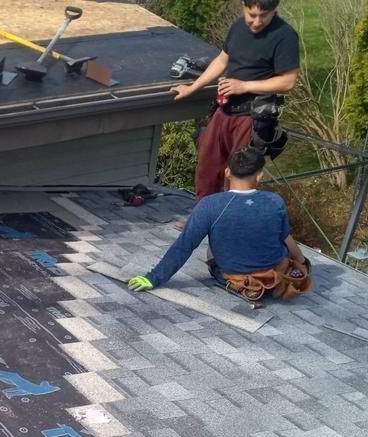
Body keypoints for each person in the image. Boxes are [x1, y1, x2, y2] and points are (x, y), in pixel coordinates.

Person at [127, 148, 312, 301]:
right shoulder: (275, 201)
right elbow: (285, 237)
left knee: (212, 245)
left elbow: (184, 246)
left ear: (227, 172)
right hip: (276, 277)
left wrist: (152, 278)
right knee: (274, 237)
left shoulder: (210, 204)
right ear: (259, 176)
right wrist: (302, 263)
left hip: (235, 277)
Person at [171, 0, 300, 201]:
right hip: (224, 109)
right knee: (207, 164)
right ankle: (203, 214)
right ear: (243, 5)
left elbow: (288, 81)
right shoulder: (238, 27)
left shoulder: (285, 36)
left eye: (264, 15)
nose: (257, 22)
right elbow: (221, 61)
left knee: (240, 173)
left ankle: (230, 219)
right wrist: (192, 88)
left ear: (275, 10)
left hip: (252, 117)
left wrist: (245, 86)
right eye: (252, 14)